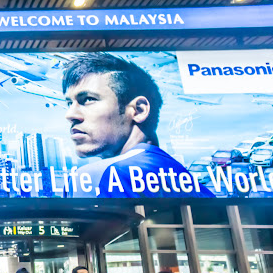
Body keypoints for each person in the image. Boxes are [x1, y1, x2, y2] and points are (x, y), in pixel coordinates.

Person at [62, 52, 213, 199]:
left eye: (88, 99)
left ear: (139, 110)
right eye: (69, 103)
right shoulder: (196, 187)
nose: (70, 115)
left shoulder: (93, 177)